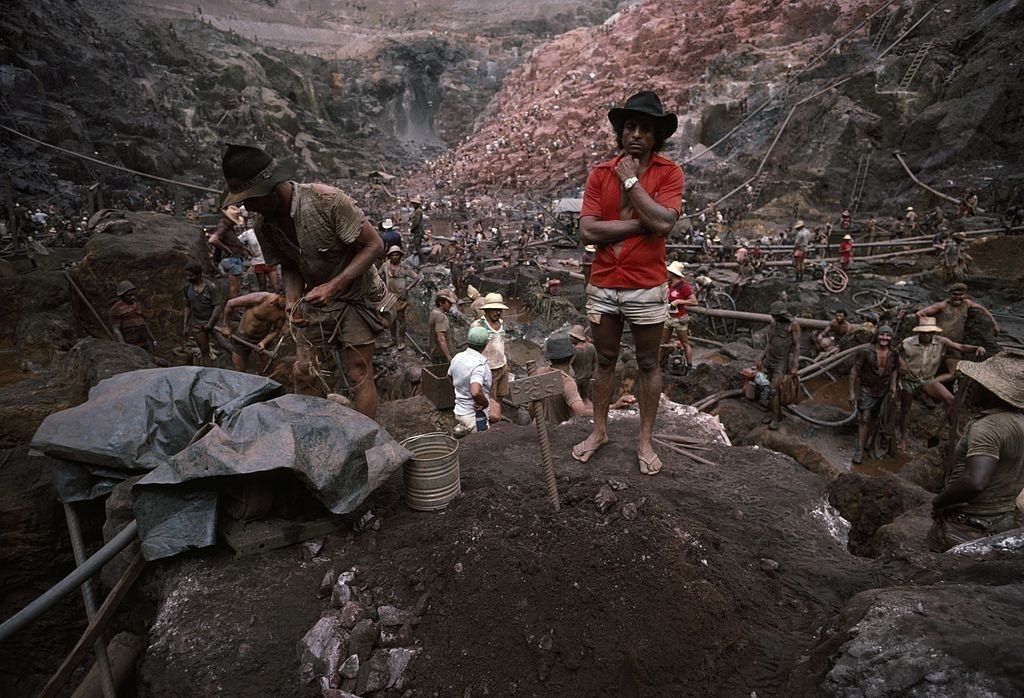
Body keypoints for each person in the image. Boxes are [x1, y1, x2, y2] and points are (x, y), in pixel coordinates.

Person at [221, 144, 389, 418]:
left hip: (355, 296)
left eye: (250, 198)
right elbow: (290, 264)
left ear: (271, 188)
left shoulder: (327, 201)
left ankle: (367, 440)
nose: (246, 206)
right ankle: (313, 433)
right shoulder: (264, 224)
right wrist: (291, 301)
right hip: (315, 301)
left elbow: (374, 246)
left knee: (358, 370)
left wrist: (334, 285)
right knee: (306, 371)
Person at [572, 90, 684, 476]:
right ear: (621, 132)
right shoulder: (600, 173)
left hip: (646, 285)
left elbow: (665, 222)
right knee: (604, 361)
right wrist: (643, 225)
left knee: (649, 362)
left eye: (645, 128)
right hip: (603, 284)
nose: (636, 134)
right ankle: (599, 431)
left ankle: (644, 440)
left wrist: (633, 182)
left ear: (656, 136)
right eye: (630, 126)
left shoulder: (668, 173)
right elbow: (587, 230)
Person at [927, 349, 1024, 552]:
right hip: (1003, 521)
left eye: (977, 382)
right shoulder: (1019, 422)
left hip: (970, 524)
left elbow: (974, 482)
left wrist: (939, 502)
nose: (969, 386)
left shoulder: (987, 427)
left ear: (992, 391)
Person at [898, 316, 986, 450]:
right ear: (919, 332)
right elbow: (894, 352)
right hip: (908, 380)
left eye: (930, 332)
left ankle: (954, 430)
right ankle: (903, 438)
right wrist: (901, 362)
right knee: (905, 409)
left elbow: (960, 346)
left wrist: (976, 348)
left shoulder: (940, 341)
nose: (927, 335)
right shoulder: (908, 342)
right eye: (924, 332)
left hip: (927, 379)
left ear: (934, 332)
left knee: (950, 399)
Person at [916, 282, 999, 376]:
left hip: (955, 344)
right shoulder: (943, 305)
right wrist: (929, 329)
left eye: (960, 295)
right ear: (950, 294)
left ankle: (935, 383)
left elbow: (983, 309)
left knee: (955, 373)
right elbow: (920, 313)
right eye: (955, 294)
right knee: (929, 368)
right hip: (939, 341)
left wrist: (994, 323)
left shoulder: (967, 304)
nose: (957, 297)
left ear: (965, 294)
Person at [848, 326, 898, 464]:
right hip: (867, 388)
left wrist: (893, 386)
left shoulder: (894, 353)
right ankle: (859, 449)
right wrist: (851, 392)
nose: (884, 338)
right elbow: (854, 371)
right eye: (882, 335)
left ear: (891, 338)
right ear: (877, 335)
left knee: (877, 418)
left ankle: (869, 444)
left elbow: (894, 370)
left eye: (888, 336)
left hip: (884, 389)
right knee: (864, 418)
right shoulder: (865, 351)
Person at [758, 300, 801, 431]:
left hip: (781, 362)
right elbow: (769, 343)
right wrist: (761, 358)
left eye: (776, 315)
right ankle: (776, 413)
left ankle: (775, 418)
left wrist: (795, 365)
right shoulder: (774, 324)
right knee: (771, 388)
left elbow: (797, 347)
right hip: (770, 359)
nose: (773, 317)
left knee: (773, 389)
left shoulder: (793, 325)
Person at [219, 291, 286, 372]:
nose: (287, 303)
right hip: (242, 338)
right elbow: (230, 303)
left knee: (269, 370)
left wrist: (264, 342)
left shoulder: (283, 310)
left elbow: (276, 330)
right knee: (239, 371)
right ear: (280, 295)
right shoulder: (260, 298)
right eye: (286, 299)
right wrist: (225, 326)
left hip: (262, 338)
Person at [536, 334, 594, 425]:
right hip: (558, 431)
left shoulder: (539, 373)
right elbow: (581, 412)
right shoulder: (567, 382)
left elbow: (531, 408)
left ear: (549, 358)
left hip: (538, 428)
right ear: (571, 358)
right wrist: (610, 409)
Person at [471, 293, 511, 422]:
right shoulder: (478, 326)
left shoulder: (501, 323)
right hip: (489, 368)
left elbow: (501, 342)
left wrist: (505, 363)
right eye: (495, 310)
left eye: (500, 310)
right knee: (490, 397)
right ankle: (491, 420)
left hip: (502, 365)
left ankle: (498, 414)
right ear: (486, 310)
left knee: (501, 394)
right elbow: (473, 348)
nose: (498, 312)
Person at [448, 325, 492, 432]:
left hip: (459, 411)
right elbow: (476, 392)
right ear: (485, 344)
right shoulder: (479, 365)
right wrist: (485, 403)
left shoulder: (458, 357)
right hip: (474, 416)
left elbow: (448, 376)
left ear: (467, 341)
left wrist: (460, 390)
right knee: (481, 444)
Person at [182, 261, 222, 366]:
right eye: (187, 275)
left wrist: (210, 324)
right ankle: (209, 373)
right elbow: (187, 306)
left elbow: (217, 307)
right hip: (198, 324)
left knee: (225, 345)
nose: (188, 278)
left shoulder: (210, 287)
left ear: (198, 275)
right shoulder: (187, 288)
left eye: (190, 275)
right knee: (204, 351)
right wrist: (185, 325)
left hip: (214, 322)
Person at [207, 205, 248, 304]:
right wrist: (226, 249)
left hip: (234, 258)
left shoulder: (228, 228)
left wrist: (243, 248)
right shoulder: (224, 227)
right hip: (231, 259)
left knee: (236, 286)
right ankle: (233, 308)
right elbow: (213, 240)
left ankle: (234, 307)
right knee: (234, 287)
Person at [382, 245, 420, 349]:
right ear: (389, 256)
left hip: (400, 297)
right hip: (389, 297)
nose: (395, 257)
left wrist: (407, 289)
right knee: (391, 319)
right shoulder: (385, 266)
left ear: (400, 256)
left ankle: (401, 341)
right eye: (393, 255)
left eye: (397, 255)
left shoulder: (404, 267)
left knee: (401, 319)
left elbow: (417, 278)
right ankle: (393, 340)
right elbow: (379, 275)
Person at [663, 260, 697, 369]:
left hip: (679, 319)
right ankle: (660, 364)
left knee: (685, 343)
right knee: (663, 342)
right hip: (667, 318)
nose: (667, 274)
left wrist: (679, 301)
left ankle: (689, 366)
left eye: (669, 272)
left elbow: (694, 302)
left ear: (673, 274)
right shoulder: (668, 285)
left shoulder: (684, 286)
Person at [109, 280, 156, 353]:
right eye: (129, 295)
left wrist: (153, 340)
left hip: (145, 342)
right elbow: (116, 330)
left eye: (133, 294)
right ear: (122, 295)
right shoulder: (116, 309)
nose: (133, 297)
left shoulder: (136, 305)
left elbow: (143, 323)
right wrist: (124, 347)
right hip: (131, 345)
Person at [238, 220, 279, 292]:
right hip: (258, 262)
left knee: (275, 286)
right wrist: (247, 250)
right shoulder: (248, 234)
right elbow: (237, 241)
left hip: (270, 261)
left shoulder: (268, 230)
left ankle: (275, 301)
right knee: (262, 286)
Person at [568, 324, 596, 403]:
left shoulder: (574, 350)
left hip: (576, 379)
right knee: (585, 398)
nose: (570, 338)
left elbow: (569, 365)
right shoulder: (591, 347)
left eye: (572, 336)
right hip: (588, 378)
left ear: (576, 337)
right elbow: (595, 363)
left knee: (576, 398)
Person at [428, 289, 456, 363]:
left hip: (437, 354)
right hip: (441, 356)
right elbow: (441, 339)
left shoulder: (434, 313)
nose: (450, 305)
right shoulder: (439, 316)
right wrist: (449, 358)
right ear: (441, 302)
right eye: (448, 302)